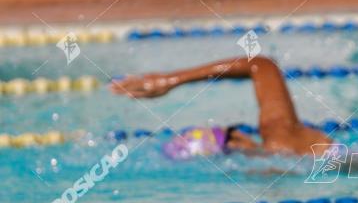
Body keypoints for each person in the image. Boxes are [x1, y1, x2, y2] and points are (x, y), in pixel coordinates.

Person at [110, 57, 333, 158]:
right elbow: (261, 65)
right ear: (235, 140)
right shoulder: (279, 135)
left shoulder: (274, 166)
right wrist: (170, 79)